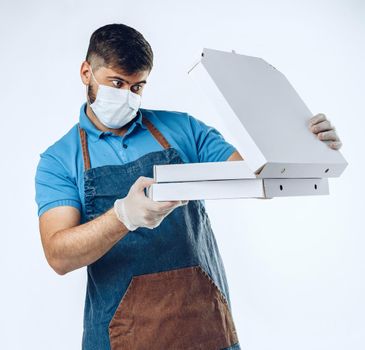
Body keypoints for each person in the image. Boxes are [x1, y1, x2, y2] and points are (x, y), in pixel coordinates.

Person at [34, 23, 343, 350]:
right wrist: (122, 216)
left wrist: (302, 142)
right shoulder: (59, 160)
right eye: (116, 83)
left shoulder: (184, 129)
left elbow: (256, 179)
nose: (126, 96)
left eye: (137, 87)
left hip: (203, 324)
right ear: (86, 72)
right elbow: (58, 256)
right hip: (122, 335)